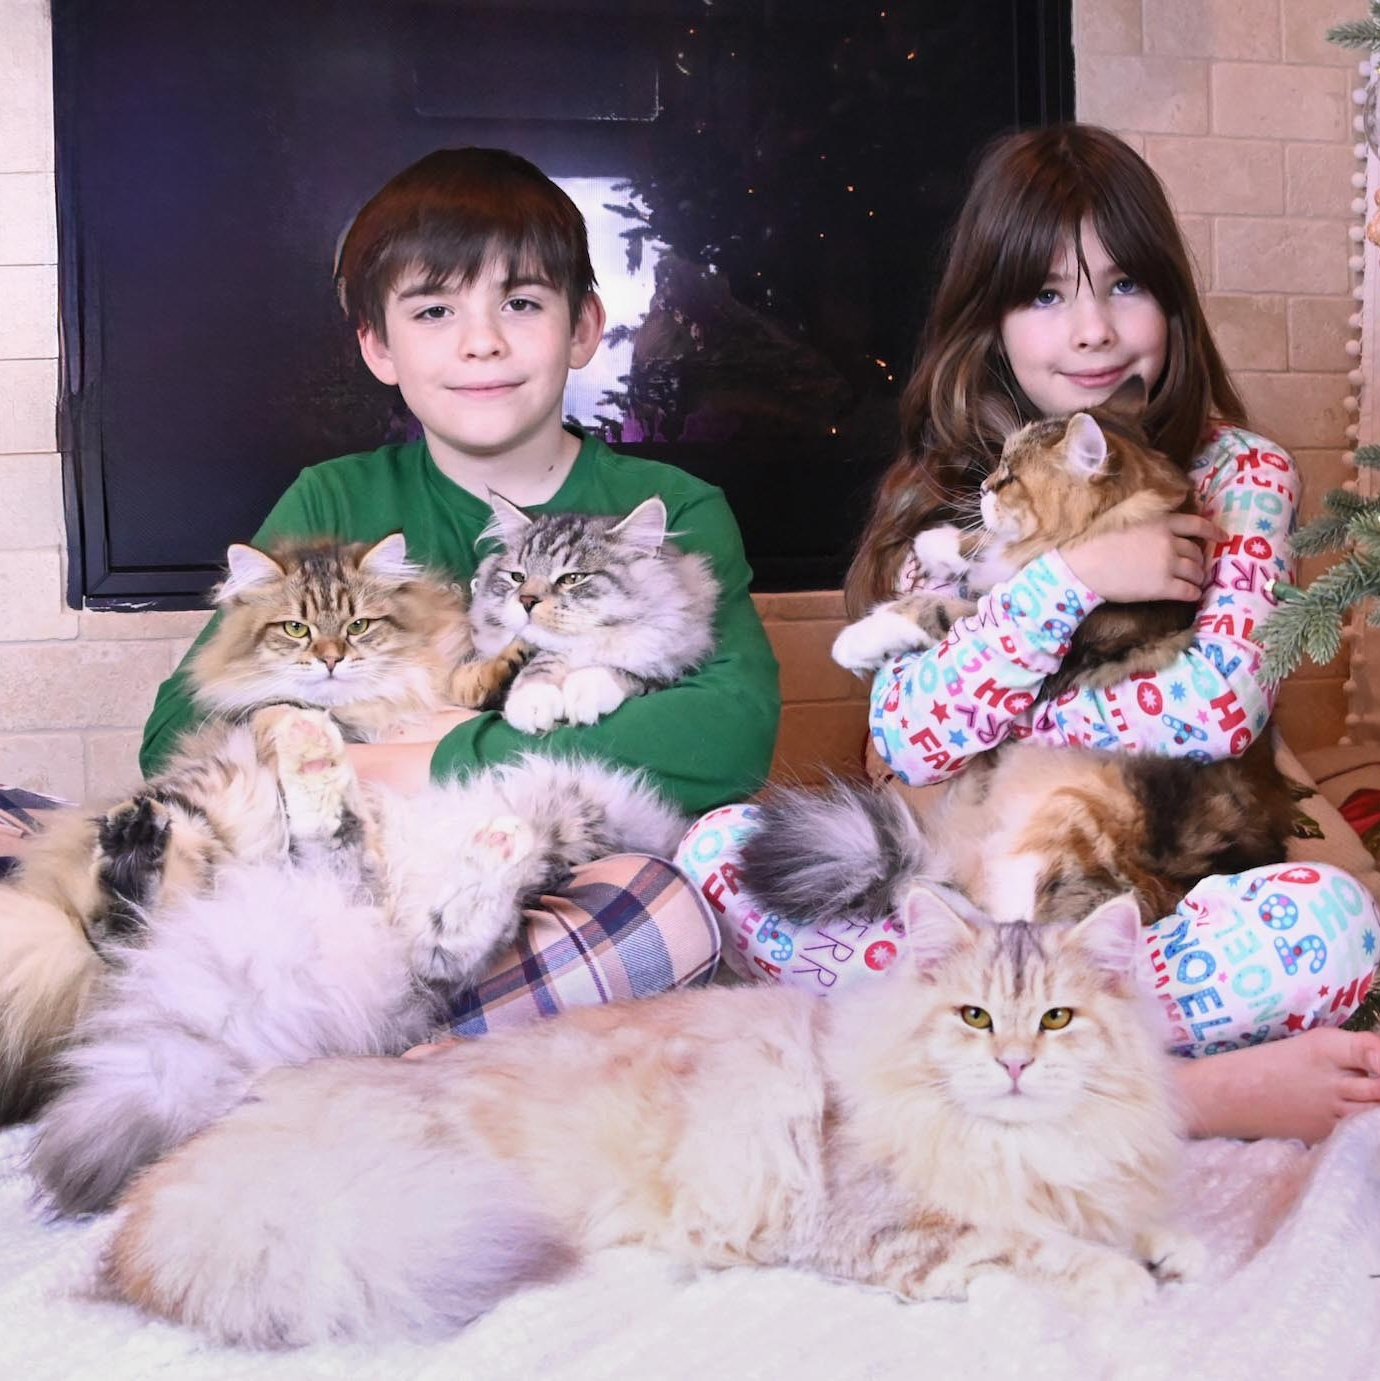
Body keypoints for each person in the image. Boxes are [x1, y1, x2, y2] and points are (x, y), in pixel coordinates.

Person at [676, 123, 1380, 1145]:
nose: (1092, 329)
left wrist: (1001, 716)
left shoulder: (1241, 476)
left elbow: (1215, 709)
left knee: (1331, 921)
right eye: (1047, 294)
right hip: (962, 905)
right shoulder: (963, 500)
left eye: (1125, 284)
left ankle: (933, 1075)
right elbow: (913, 737)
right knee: (723, 858)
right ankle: (1180, 1096)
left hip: (1129, 905)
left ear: (1174, 302)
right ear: (992, 322)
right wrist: (1068, 579)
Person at [139, 146, 781, 1033]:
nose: (481, 340)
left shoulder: (667, 508)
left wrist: (441, 754)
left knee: (660, 909)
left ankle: (348, 1048)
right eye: (435, 309)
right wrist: (356, 756)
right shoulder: (332, 499)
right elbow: (177, 732)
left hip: (543, 889)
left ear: (585, 326)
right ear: (378, 346)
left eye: (520, 303)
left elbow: (725, 738)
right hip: (346, 874)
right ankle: (353, 1037)